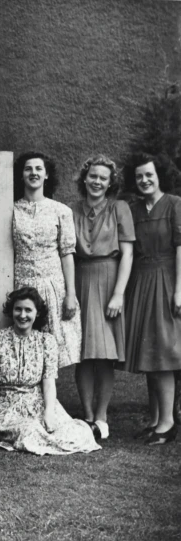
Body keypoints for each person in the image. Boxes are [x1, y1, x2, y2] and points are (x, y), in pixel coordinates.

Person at [0, 287, 101, 455]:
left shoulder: (46, 341)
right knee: (30, 431)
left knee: (74, 432)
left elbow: (49, 384)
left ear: (37, 313)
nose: (22, 315)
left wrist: (49, 413)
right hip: (9, 410)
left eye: (28, 310)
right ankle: (45, 439)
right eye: (18, 309)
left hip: (39, 403)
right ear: (11, 310)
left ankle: (82, 430)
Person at [69, 155, 134, 440]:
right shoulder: (70, 209)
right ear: (85, 178)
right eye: (93, 176)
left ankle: (102, 416)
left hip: (109, 279)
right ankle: (85, 415)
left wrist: (118, 294)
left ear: (110, 183)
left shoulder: (119, 208)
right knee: (82, 354)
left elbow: (128, 254)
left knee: (105, 354)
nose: (97, 181)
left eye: (103, 178)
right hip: (81, 279)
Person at [123, 153, 181, 445]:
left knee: (163, 354)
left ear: (159, 176)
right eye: (139, 176)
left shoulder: (174, 204)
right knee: (150, 354)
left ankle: (169, 423)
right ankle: (157, 419)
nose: (144, 180)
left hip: (167, 279)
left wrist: (179, 289)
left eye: (149, 175)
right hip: (141, 282)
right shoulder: (133, 209)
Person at [13, 151, 81, 368]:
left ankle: (51, 399)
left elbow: (67, 253)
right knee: (23, 346)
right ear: (21, 175)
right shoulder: (10, 210)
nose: (33, 173)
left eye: (38, 169)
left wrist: (70, 294)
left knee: (51, 348)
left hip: (52, 287)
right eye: (28, 169)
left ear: (47, 175)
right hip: (21, 286)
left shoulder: (61, 211)